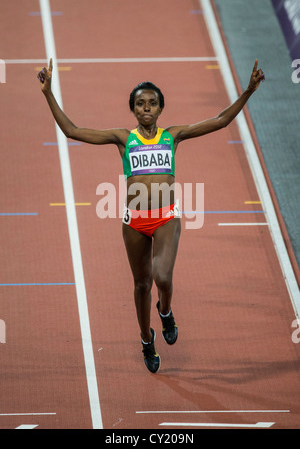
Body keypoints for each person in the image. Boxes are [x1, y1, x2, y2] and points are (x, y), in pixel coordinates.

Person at [37, 59, 264, 373]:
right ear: (133, 109)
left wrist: (249, 90)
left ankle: (166, 311)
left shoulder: (173, 135)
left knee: (163, 277)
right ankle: (146, 339)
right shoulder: (122, 138)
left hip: (166, 217)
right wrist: (49, 93)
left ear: (161, 109)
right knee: (141, 284)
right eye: (140, 103)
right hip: (134, 221)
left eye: (153, 103)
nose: (146, 108)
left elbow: (221, 120)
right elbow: (71, 130)